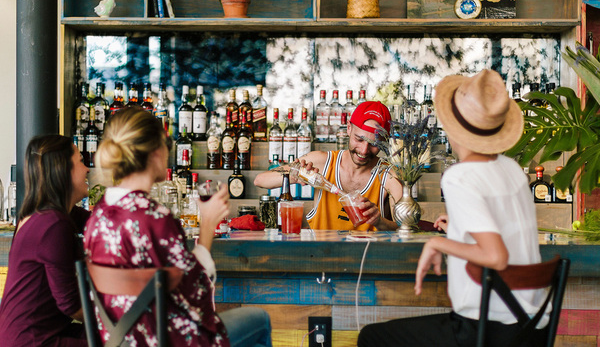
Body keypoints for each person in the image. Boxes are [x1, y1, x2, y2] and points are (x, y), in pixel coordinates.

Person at [357, 70, 548, 347]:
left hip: (487, 328)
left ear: (451, 127)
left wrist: (439, 243)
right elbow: (503, 224)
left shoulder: (460, 176)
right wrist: (459, 226)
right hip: (532, 328)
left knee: (372, 338)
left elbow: (496, 256)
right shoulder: (512, 169)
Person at [84, 107, 272, 347]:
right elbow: (197, 294)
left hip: (121, 341)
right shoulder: (155, 218)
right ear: (154, 151)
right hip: (167, 339)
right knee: (259, 319)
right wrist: (208, 226)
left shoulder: (97, 217)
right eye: (167, 143)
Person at [254, 101, 403, 231]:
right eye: (359, 139)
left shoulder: (389, 175)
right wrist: (295, 174)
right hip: (321, 258)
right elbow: (260, 180)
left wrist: (379, 221)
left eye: (374, 144)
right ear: (349, 128)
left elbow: (406, 229)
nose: (364, 150)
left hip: (367, 259)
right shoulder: (323, 161)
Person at [0, 135, 90, 347]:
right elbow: (71, 305)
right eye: (80, 161)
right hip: (33, 341)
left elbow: (100, 224)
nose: (87, 169)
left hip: (30, 334)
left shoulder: (42, 214)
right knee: (127, 338)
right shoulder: (53, 224)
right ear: (62, 170)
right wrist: (121, 314)